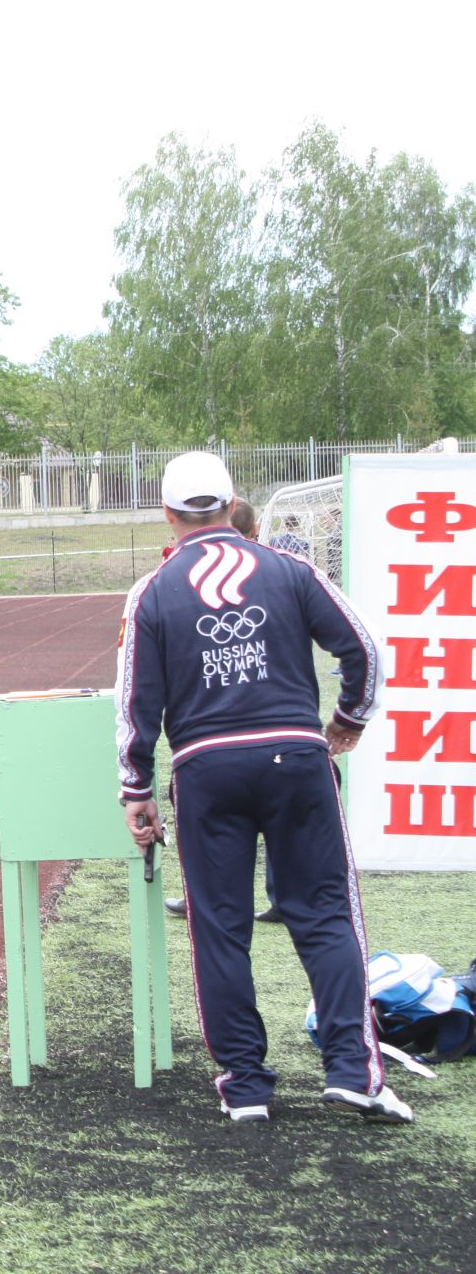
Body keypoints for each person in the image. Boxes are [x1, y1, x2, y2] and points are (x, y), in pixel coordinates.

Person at [117, 451, 405, 1124]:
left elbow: (136, 701)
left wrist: (136, 787)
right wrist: (348, 721)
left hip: (205, 769)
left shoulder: (153, 590)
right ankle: (351, 1072)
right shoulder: (290, 569)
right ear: (233, 501)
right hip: (296, 758)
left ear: (167, 513)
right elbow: (364, 648)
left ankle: (246, 1087)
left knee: (219, 929)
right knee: (326, 915)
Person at [165, 496, 282, 924]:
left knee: (221, 822)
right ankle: (285, 894)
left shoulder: (172, 582)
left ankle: (208, 897)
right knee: (282, 816)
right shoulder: (282, 573)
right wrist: (348, 719)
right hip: (277, 730)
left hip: (211, 736)